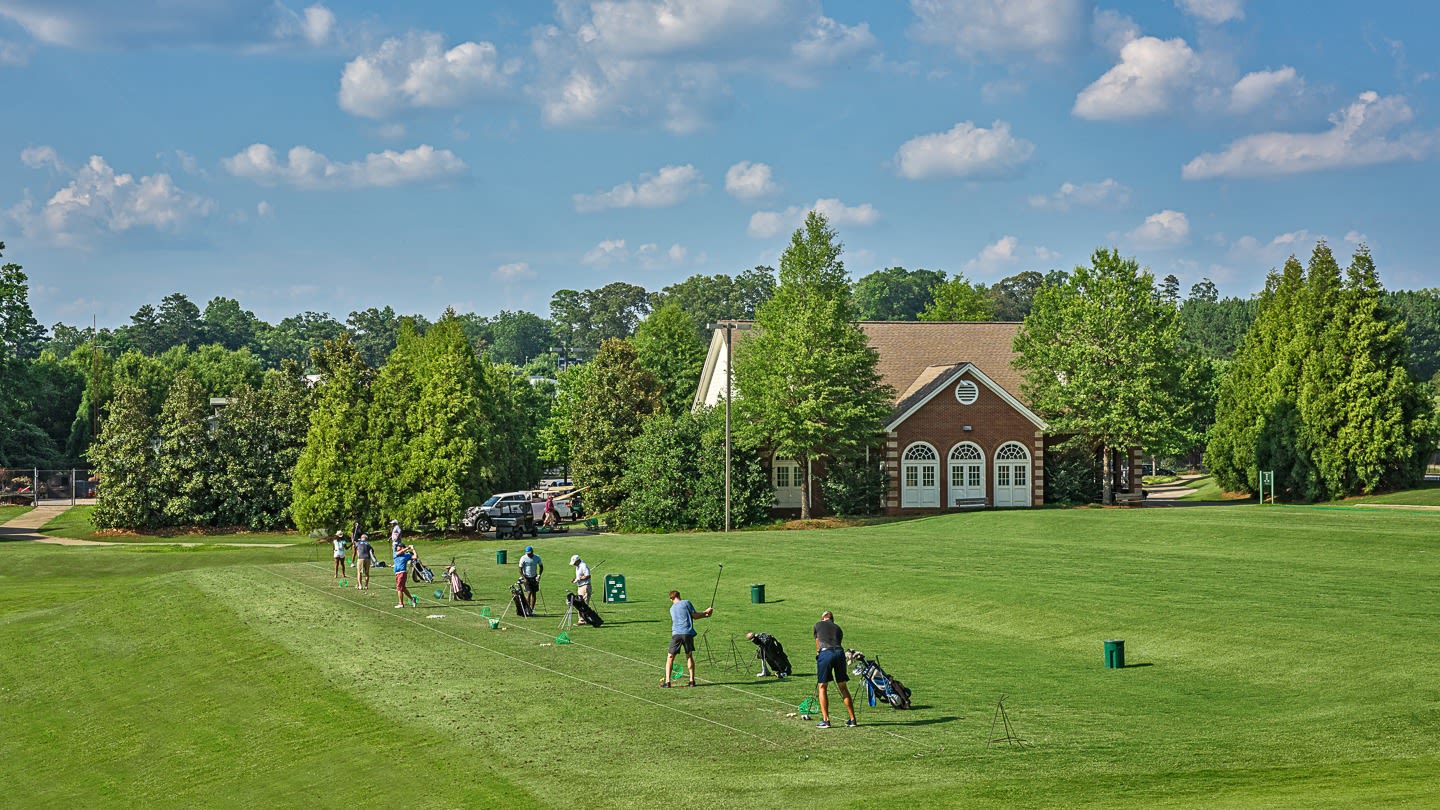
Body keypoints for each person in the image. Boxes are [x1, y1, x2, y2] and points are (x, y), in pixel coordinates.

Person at [813, 610, 857, 728]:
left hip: (826, 654)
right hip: (839, 653)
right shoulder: (838, 628)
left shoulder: (818, 624)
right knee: (842, 686)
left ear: (823, 618)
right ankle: (852, 719)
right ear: (832, 619)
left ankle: (826, 720)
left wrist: (818, 654)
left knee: (822, 686)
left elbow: (818, 642)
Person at [661, 590, 712, 688]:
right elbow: (695, 616)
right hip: (688, 633)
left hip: (676, 634)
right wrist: (706, 613)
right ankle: (692, 680)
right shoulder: (686, 603)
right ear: (679, 595)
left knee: (670, 657)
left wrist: (706, 614)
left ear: (671, 598)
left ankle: (668, 682)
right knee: (689, 656)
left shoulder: (671, 609)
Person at [518, 546, 543, 614]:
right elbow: (520, 569)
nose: (528, 554)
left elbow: (541, 566)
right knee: (529, 593)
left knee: (534, 594)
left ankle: (532, 610)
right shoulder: (523, 558)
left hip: (534, 577)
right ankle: (527, 609)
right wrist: (523, 577)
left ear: (532, 552)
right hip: (526, 578)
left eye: (529, 553)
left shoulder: (537, 557)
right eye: (527, 553)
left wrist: (539, 575)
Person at [392, 542, 417, 608]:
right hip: (397, 573)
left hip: (402, 573)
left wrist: (413, 549)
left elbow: (415, 557)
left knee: (399, 588)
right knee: (403, 588)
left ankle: (401, 604)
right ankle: (412, 599)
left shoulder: (406, 555)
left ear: (402, 547)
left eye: (398, 546)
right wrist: (408, 548)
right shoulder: (395, 553)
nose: (397, 547)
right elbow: (400, 552)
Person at [570, 555, 591, 622]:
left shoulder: (583, 565)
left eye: (574, 563)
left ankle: (584, 619)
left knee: (583, 604)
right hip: (580, 586)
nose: (574, 564)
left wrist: (579, 579)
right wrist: (575, 579)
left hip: (585, 586)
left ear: (578, 560)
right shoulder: (578, 566)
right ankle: (581, 619)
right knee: (579, 603)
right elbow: (580, 576)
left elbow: (588, 576)